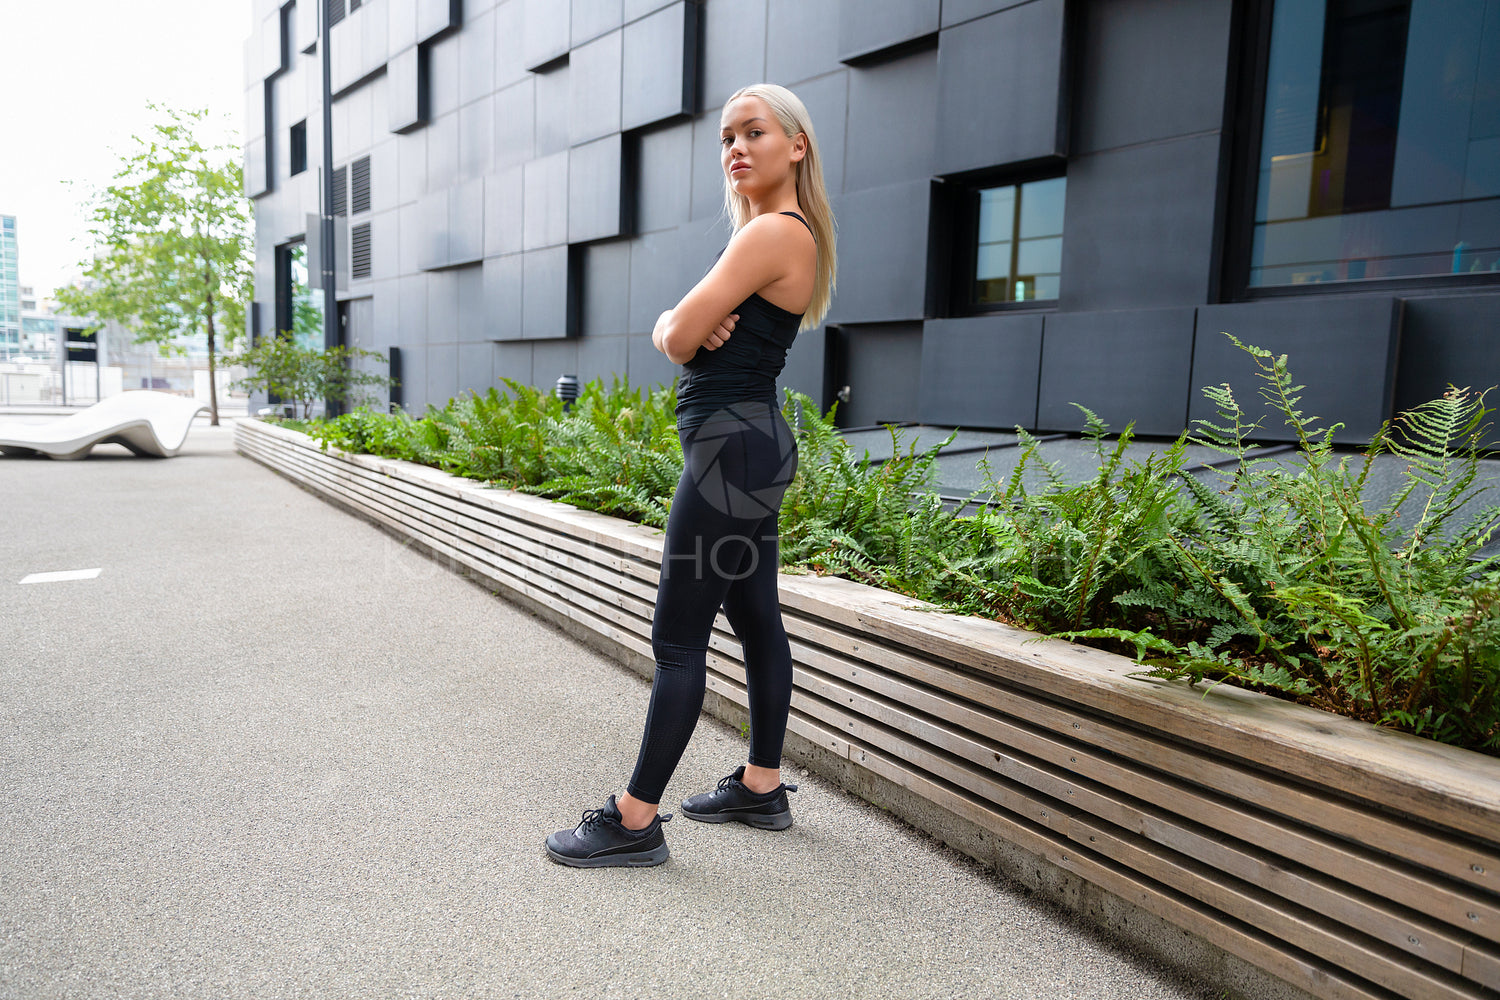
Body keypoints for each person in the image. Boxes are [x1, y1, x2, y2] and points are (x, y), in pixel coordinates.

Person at [546, 83, 837, 867]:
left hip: (728, 458)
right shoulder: (785, 235)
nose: (736, 147)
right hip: (752, 450)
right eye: (727, 138)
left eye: (755, 132)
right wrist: (679, 326)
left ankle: (634, 823)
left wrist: (678, 327)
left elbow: (676, 339)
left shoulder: (770, 234)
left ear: (796, 146)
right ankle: (761, 784)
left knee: (678, 641)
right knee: (753, 620)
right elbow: (678, 330)